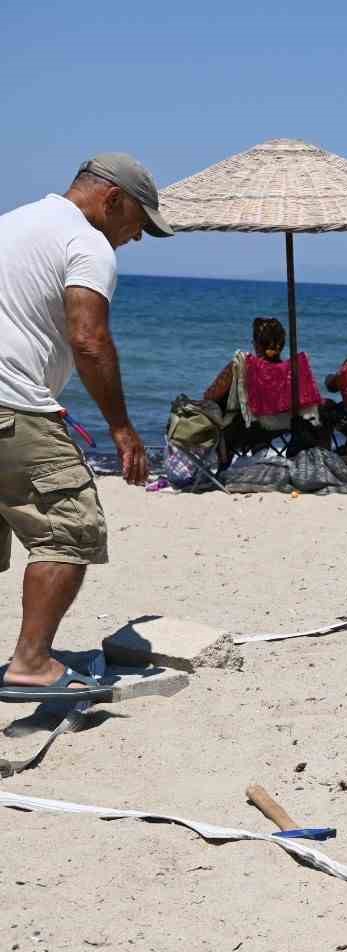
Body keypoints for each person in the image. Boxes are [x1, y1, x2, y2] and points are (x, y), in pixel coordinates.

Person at [0, 153, 171, 696]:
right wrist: (122, 429)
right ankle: (31, 664)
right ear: (112, 199)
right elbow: (89, 338)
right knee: (70, 528)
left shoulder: (11, 223)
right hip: (12, 404)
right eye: (139, 223)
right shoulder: (87, 242)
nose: (137, 238)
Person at [201, 316, 287, 404]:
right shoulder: (290, 372)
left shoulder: (242, 365)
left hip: (249, 417)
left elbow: (210, 396)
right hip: (284, 417)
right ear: (282, 345)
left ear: (256, 344)